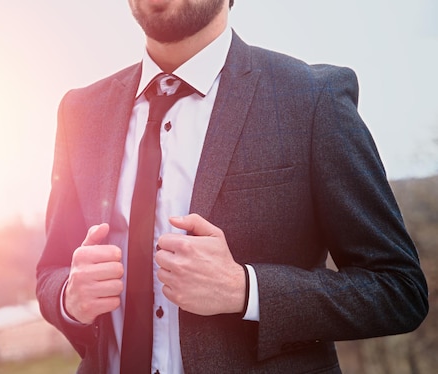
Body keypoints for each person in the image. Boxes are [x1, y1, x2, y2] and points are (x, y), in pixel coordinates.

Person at [36, 0, 429, 373]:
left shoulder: (312, 99)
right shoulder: (80, 112)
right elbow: (51, 271)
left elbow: (399, 289)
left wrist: (246, 290)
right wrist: (70, 298)